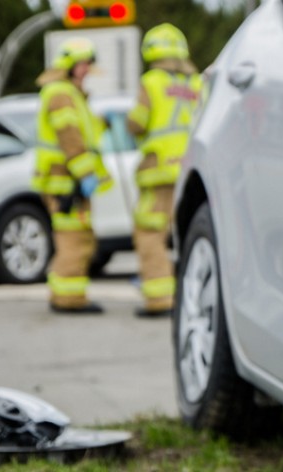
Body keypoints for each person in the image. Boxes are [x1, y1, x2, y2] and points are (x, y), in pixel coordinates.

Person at [127, 23, 203, 318]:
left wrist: (125, 123)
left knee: (149, 232)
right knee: (186, 235)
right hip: (190, 169)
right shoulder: (196, 83)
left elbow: (138, 122)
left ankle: (159, 299)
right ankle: (189, 297)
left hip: (158, 170)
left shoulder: (152, 81)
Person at [32, 37, 112, 314]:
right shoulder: (61, 94)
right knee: (73, 240)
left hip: (67, 180)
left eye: (88, 64)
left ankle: (63, 293)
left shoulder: (68, 93)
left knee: (75, 238)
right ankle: (69, 298)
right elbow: (70, 137)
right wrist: (85, 174)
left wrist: (102, 123)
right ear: (69, 66)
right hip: (65, 182)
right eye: (82, 64)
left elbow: (82, 133)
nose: (87, 70)